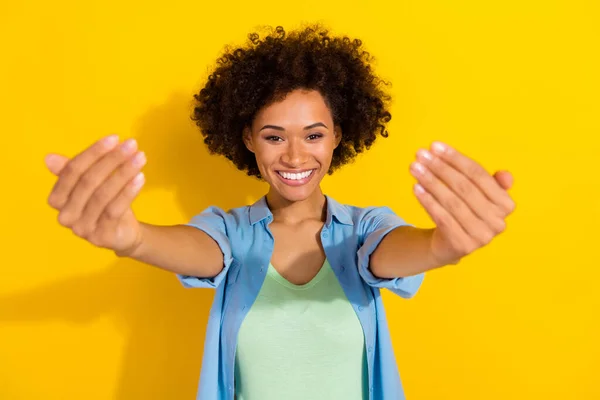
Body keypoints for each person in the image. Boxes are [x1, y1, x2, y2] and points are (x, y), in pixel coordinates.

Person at [44, 24, 515, 400]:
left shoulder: (365, 230)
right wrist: (132, 238)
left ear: (337, 137)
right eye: (274, 136)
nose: (294, 156)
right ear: (248, 139)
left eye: (313, 135)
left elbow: (389, 255)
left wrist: (442, 246)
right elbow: (200, 252)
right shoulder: (228, 231)